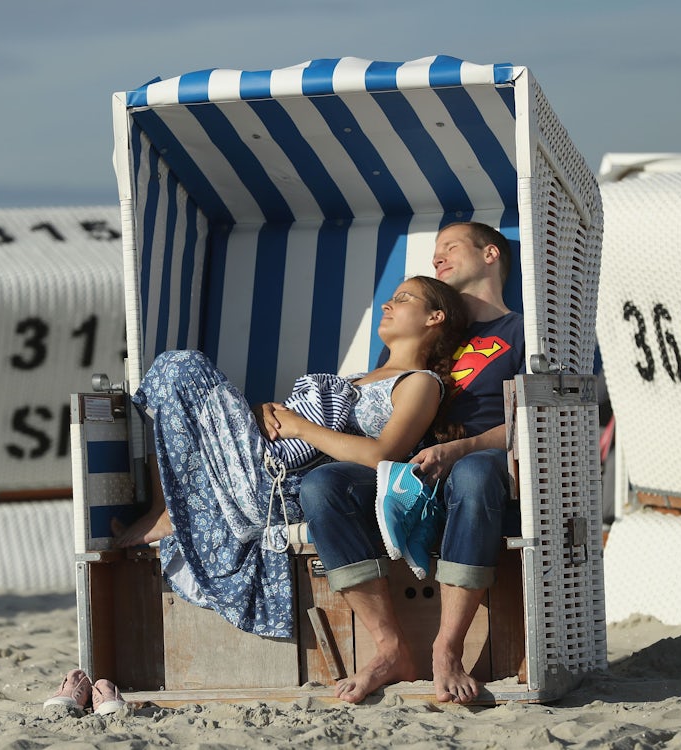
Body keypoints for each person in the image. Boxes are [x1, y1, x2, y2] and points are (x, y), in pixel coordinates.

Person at [111, 276, 468, 639]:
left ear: (434, 317)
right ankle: (166, 506)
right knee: (177, 379)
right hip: (272, 466)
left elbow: (382, 455)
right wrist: (262, 416)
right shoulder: (358, 378)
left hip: (287, 489)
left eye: (402, 299)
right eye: (389, 299)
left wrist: (299, 428)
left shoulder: (420, 382)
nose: (387, 305)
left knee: (183, 365)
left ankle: (168, 510)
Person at [299, 221, 525, 704]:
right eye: (435, 250)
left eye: (451, 247)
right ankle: (390, 647)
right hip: (407, 469)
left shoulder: (520, 331)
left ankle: (447, 647)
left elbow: (534, 420)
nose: (438, 257)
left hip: (475, 465)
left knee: (477, 470)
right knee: (321, 486)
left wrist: (461, 448)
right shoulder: (425, 330)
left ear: (490, 254)